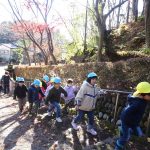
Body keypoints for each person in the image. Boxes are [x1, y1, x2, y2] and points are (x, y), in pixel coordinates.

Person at [115, 82, 150, 150]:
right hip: (127, 122)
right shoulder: (137, 104)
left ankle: (123, 131)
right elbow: (125, 113)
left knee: (139, 134)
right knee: (126, 137)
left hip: (134, 122)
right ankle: (118, 146)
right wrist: (124, 122)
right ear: (143, 94)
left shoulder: (141, 99)